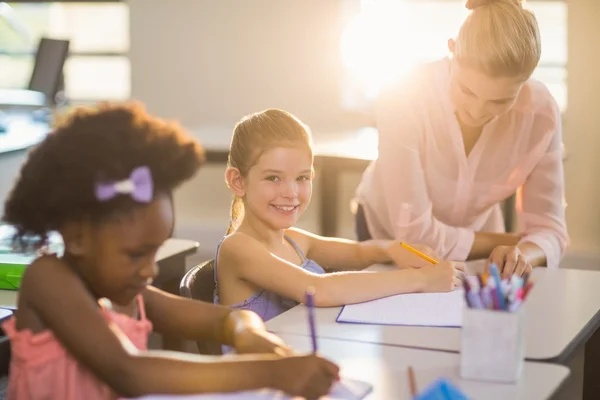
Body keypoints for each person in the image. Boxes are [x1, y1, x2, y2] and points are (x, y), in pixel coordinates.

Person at [1, 103, 339, 400]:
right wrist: (271, 373)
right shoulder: (48, 279)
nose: (150, 271)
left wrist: (247, 334)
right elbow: (128, 371)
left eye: (155, 251)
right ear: (75, 238)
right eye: (136, 255)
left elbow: (227, 319)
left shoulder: (129, 293)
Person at [354, 0, 569, 278]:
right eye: (467, 90)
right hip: (386, 232)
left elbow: (550, 229)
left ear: (526, 79)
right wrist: (514, 242)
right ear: (452, 49)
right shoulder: (403, 96)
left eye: (500, 100)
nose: (477, 111)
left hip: (480, 247)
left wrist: (520, 255)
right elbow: (414, 234)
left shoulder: (541, 114)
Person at [214, 108, 464, 322]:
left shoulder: (293, 240)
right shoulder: (238, 249)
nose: (291, 193)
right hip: (261, 374)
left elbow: (358, 253)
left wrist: (392, 248)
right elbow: (318, 290)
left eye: (302, 178)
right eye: (273, 178)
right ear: (238, 181)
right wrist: (420, 279)